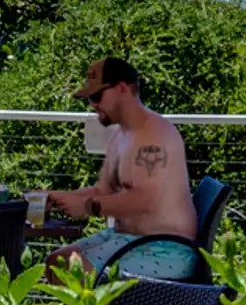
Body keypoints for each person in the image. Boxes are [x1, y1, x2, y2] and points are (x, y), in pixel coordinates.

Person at [48, 55, 202, 281]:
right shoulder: (121, 135)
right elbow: (102, 190)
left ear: (121, 89)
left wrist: (87, 206)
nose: (92, 105)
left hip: (165, 249)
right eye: (89, 98)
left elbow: (145, 201)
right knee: (56, 262)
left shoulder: (152, 133)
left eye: (97, 96)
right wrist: (56, 198)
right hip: (129, 240)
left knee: (71, 270)